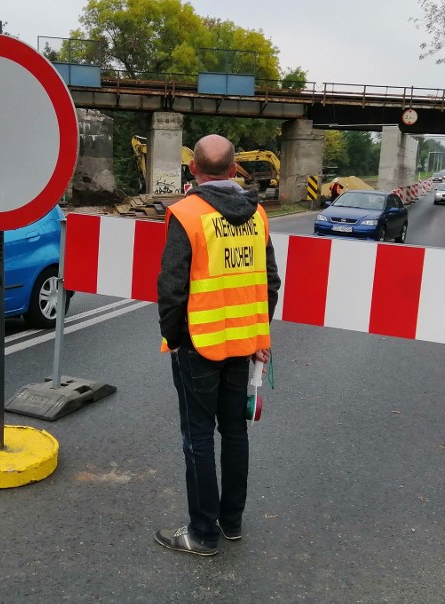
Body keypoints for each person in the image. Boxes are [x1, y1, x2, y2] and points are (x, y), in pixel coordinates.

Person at [155, 134, 281, 556]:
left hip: (199, 344)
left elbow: (171, 287)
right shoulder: (258, 213)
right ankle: (231, 523)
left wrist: (174, 340)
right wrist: (260, 335)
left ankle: (203, 533)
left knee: (198, 437)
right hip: (242, 343)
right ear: (233, 170)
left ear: (195, 169)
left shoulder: (186, 214)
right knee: (234, 432)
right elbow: (270, 282)